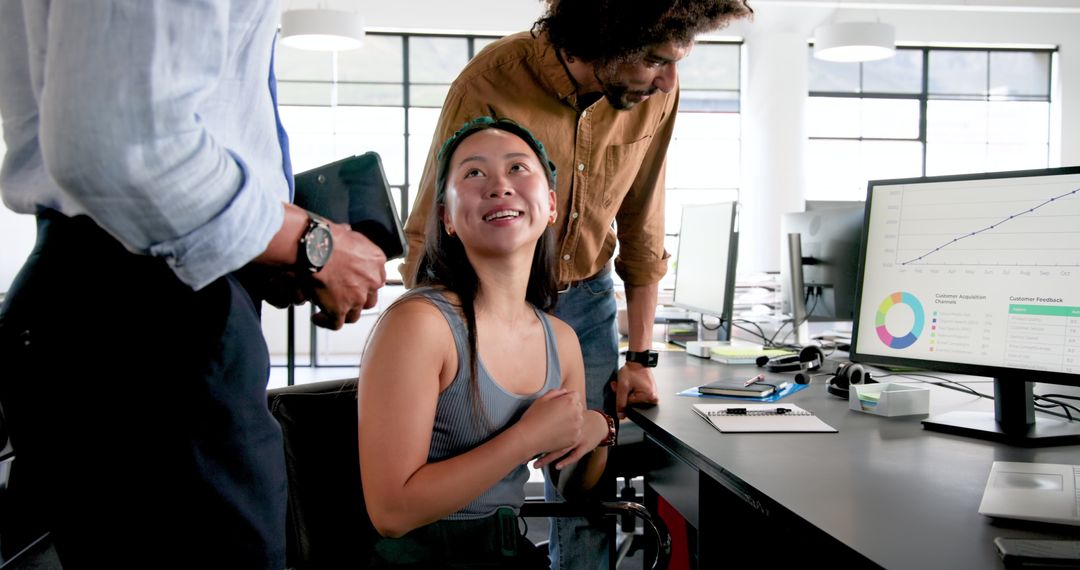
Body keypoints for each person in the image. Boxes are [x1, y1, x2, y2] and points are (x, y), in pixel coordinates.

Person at [0, 2, 385, 567]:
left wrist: (255, 246)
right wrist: (312, 242)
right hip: (151, 320)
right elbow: (122, 141)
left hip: (122, 302)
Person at [398, 1, 754, 567]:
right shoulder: (492, 80)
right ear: (608, 42)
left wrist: (641, 356)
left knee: (588, 483)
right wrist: (423, 336)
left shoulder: (657, 92)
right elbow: (435, 216)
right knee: (470, 467)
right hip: (484, 299)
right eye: (656, 62)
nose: (667, 80)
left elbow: (643, 226)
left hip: (586, 298)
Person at [358, 117, 616, 568]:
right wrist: (525, 438)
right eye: (474, 173)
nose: (499, 186)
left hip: (506, 551)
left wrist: (597, 431)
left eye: (519, 168)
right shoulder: (420, 324)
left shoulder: (562, 340)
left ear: (551, 204)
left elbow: (572, 484)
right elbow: (391, 513)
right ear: (447, 217)